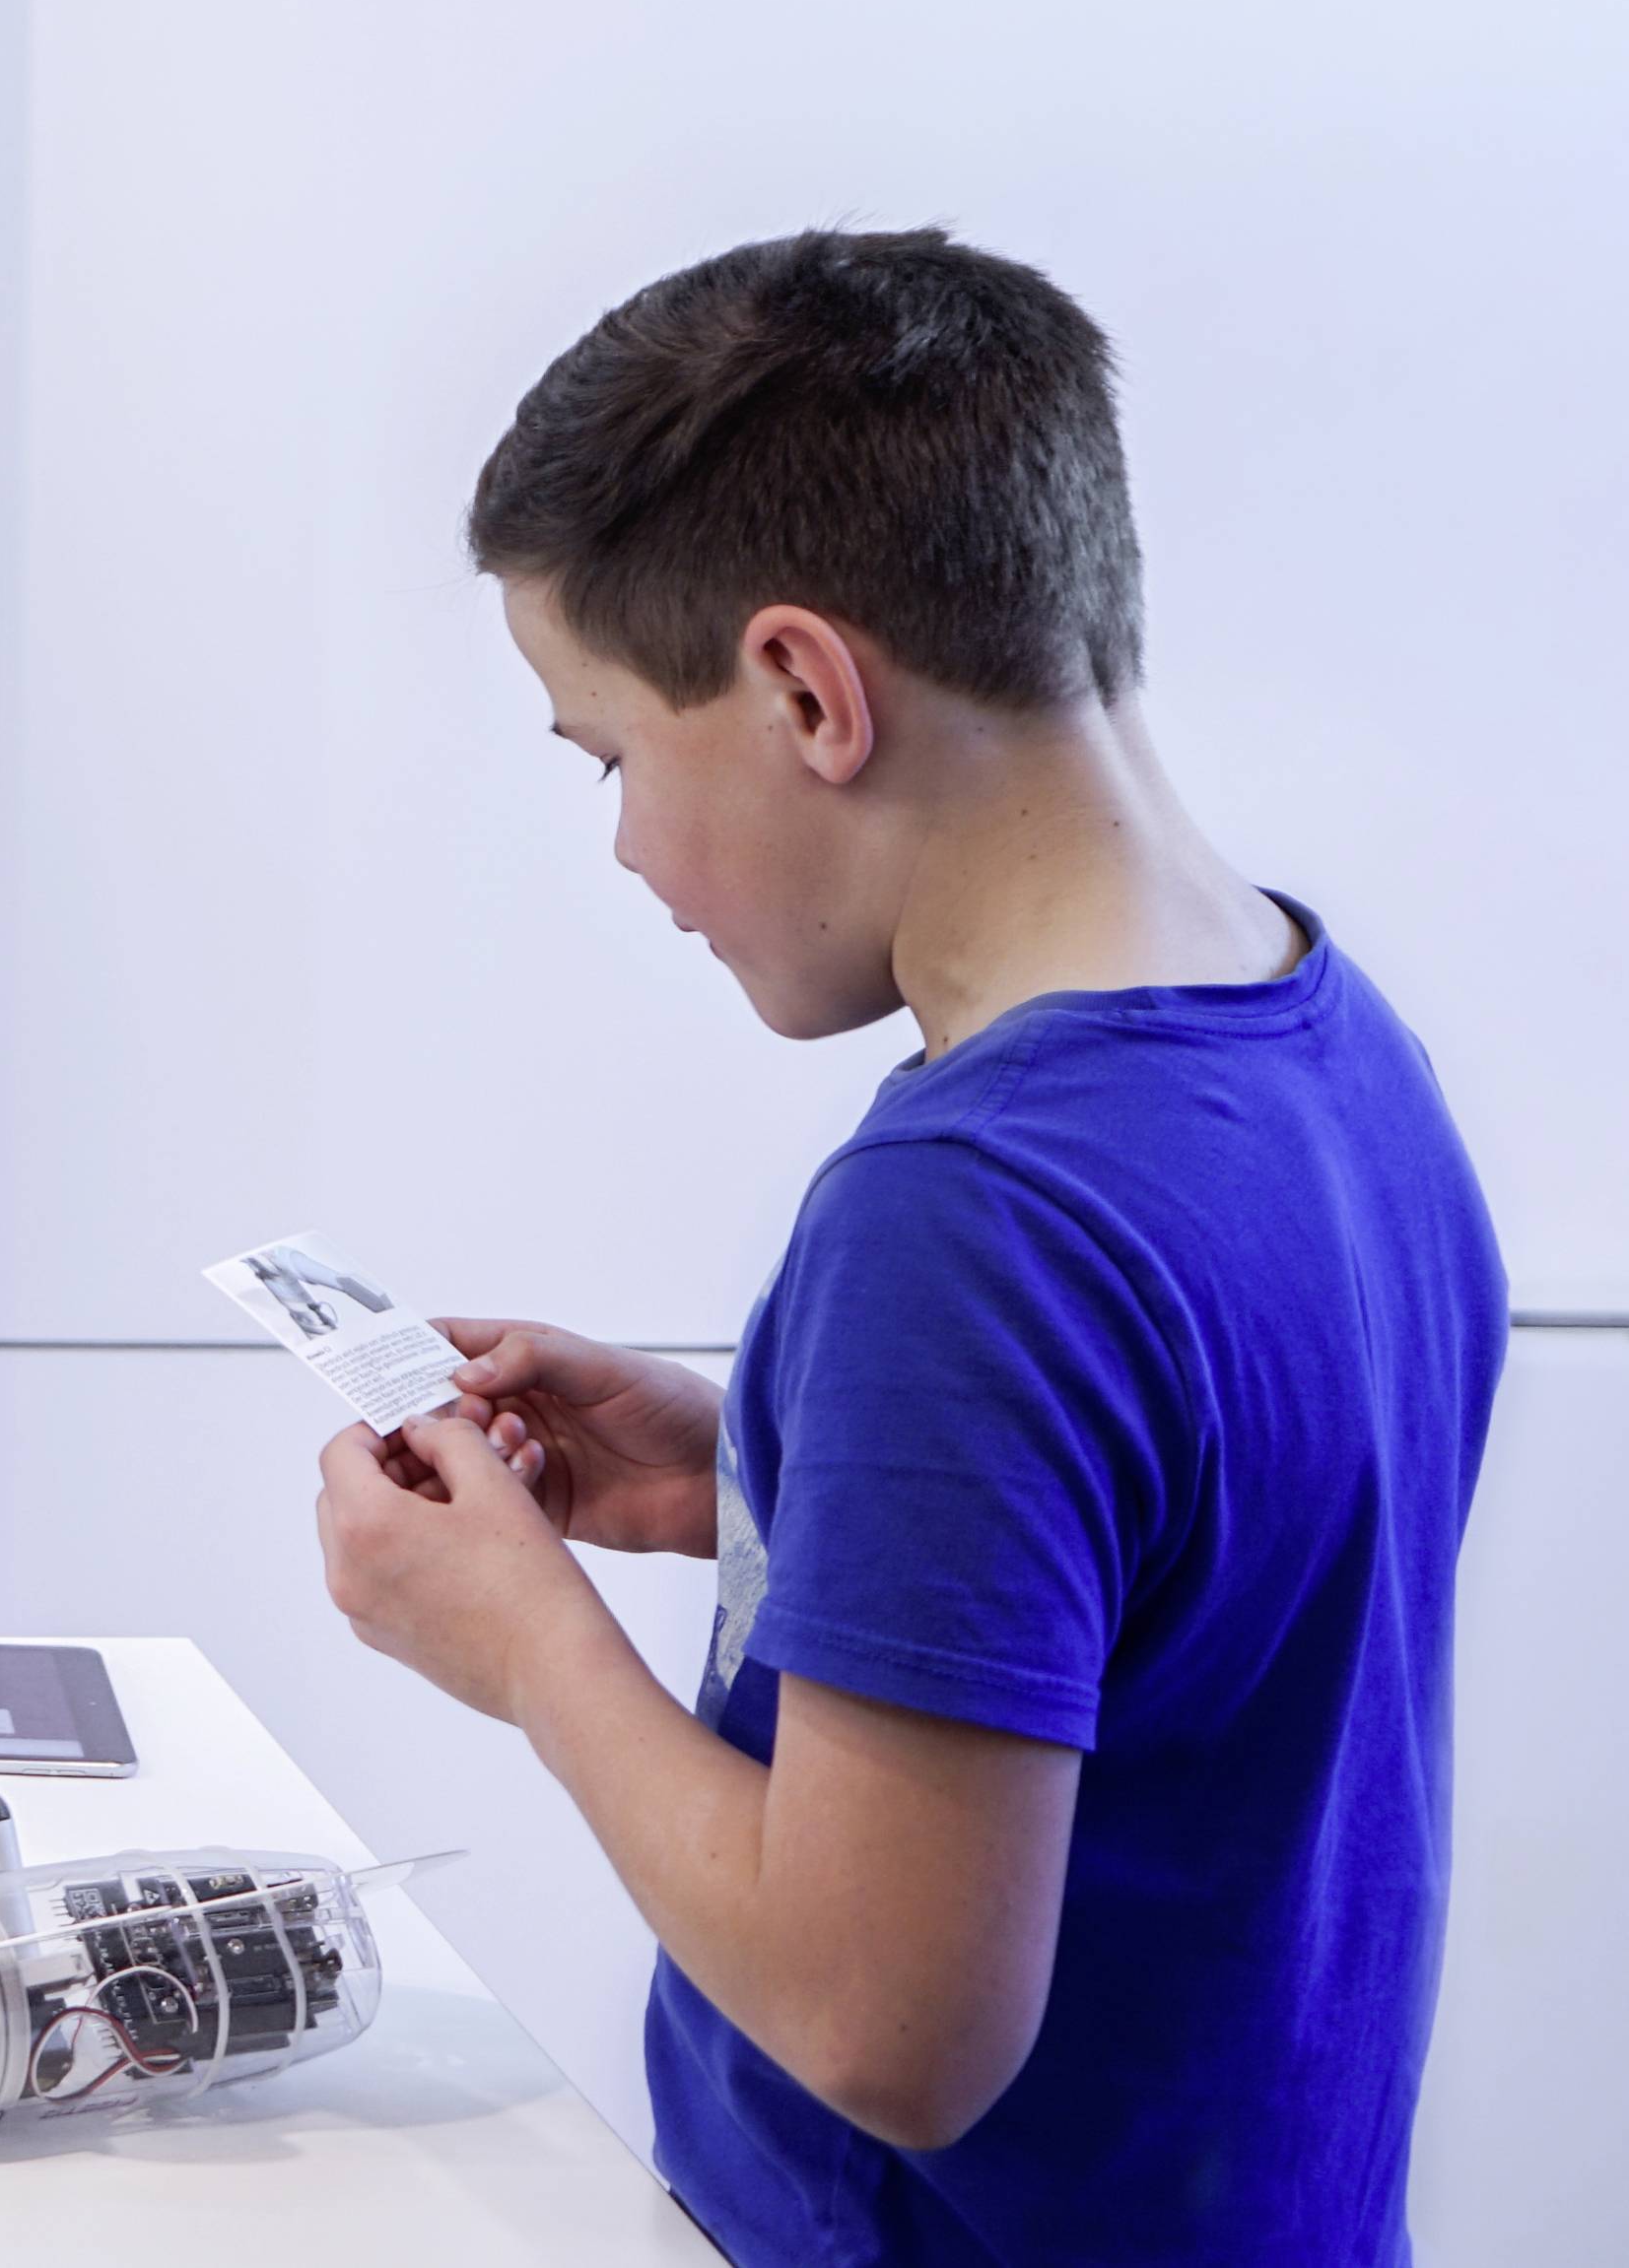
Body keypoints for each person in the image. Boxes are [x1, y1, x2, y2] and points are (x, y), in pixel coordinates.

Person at [310, 229, 1502, 2264]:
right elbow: (1173, 1580)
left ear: (798, 688)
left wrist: (522, 1638)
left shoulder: (971, 1221)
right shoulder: (1320, 1042)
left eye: (606, 756)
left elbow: (886, 2024)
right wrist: (758, 1481)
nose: (616, 844)